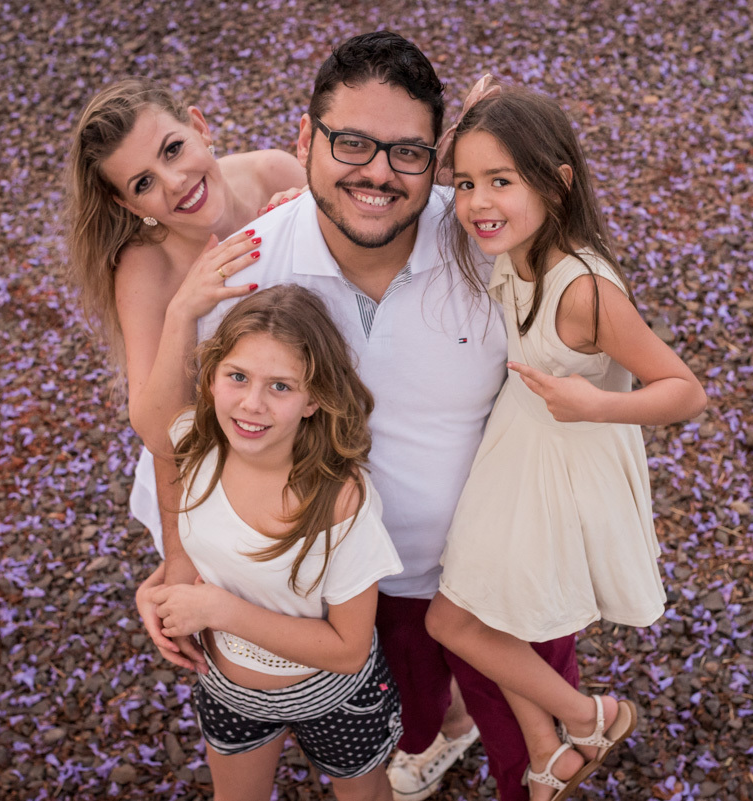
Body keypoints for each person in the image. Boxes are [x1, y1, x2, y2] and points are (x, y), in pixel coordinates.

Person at [134, 33, 576, 801]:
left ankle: (469, 724)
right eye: (350, 143)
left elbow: (586, 332)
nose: (376, 172)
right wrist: (178, 555)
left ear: (437, 159)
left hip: (492, 574)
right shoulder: (246, 267)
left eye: (406, 152)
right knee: (402, 725)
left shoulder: (489, 246)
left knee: (537, 757)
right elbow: (187, 436)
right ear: (305, 140)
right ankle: (443, 730)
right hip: (344, 595)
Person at [423, 85, 708, 801]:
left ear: (557, 182)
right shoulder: (512, 237)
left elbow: (685, 389)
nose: (477, 203)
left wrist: (598, 402)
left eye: (501, 181)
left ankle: (594, 714)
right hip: (516, 447)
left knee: (452, 619)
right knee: (491, 611)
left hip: (559, 463)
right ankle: (548, 747)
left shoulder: (585, 290)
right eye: (467, 183)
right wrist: (469, 126)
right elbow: (428, 176)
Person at [64, 78, 306, 672]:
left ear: (200, 125)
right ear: (128, 206)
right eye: (142, 183)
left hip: (313, 417)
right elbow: (155, 430)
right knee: (265, 637)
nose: (173, 183)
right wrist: (183, 310)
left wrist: (304, 217)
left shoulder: (276, 174)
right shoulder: (147, 266)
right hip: (216, 460)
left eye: (172, 149)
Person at [147, 285, 404, 801]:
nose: (251, 404)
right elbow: (152, 430)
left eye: (281, 386)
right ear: (211, 377)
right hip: (227, 687)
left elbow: (350, 651)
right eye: (237, 376)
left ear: (314, 400)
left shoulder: (338, 502)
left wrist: (219, 611)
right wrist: (155, 586)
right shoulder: (192, 449)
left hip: (334, 695)